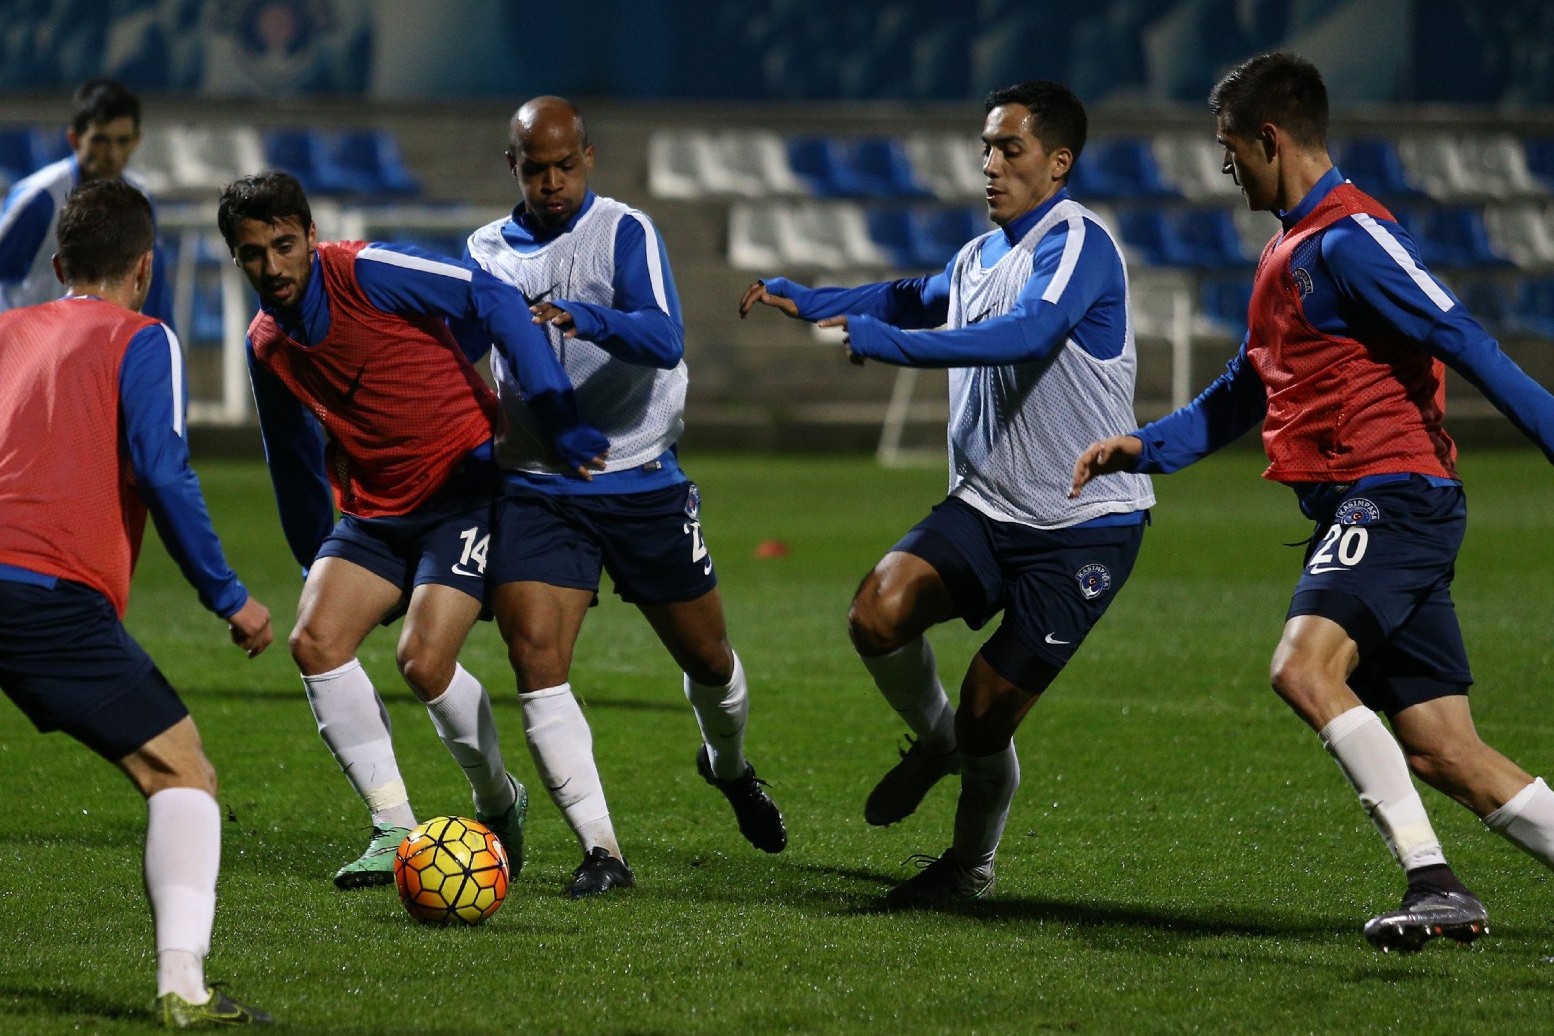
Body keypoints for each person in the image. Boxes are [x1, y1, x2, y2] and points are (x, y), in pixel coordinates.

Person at [1071, 52, 1554, 952]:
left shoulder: (1350, 240)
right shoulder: (1290, 250)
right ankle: (1445, 882)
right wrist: (1150, 446)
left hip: (1391, 496)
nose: (1224, 169)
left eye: (1229, 148)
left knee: (1303, 669)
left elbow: (1458, 331)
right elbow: (1250, 382)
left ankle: (1435, 883)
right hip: (1368, 506)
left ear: (1270, 138)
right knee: (1446, 752)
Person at [739, 81, 1154, 906]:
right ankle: (933, 745)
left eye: (1010, 149)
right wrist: (811, 301)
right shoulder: (978, 257)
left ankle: (970, 866)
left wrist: (887, 345)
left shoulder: (1078, 244)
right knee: (876, 612)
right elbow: (909, 297)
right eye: (987, 148)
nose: (990, 165)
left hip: (1083, 525)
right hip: (988, 505)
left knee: (987, 717)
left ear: (1058, 162)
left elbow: (1031, 331)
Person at [217, 171, 608, 889]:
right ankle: (393, 825)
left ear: (308, 235)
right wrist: (314, 564)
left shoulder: (367, 270)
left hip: (465, 488)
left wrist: (553, 415)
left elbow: (488, 295)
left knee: (422, 662)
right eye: (251, 254)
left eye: (281, 245)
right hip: (375, 510)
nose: (270, 267)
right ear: (235, 259)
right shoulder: (267, 344)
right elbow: (293, 465)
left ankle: (498, 801)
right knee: (315, 640)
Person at [461, 96, 786, 899]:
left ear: (589, 159)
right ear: (513, 167)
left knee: (708, 658)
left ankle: (731, 766)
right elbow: (468, 350)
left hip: (640, 474)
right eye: (535, 168)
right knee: (536, 661)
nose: (552, 182)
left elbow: (663, 337)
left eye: (565, 165)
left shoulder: (625, 230)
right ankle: (602, 850)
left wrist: (583, 317)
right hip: (539, 484)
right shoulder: (483, 251)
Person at [0, 179, 273, 1026]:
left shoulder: (6, 329)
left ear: (57, 264)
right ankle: (184, 989)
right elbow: (163, 470)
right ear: (146, 267)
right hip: (46, 594)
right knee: (180, 772)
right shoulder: (144, 339)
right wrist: (227, 595)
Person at [0, 78, 173, 324]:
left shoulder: (140, 197)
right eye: (101, 141)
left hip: (102, 349)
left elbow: (153, 288)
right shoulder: (40, 198)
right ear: (74, 138)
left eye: (122, 141)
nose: (112, 154)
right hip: (34, 351)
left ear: (136, 140)